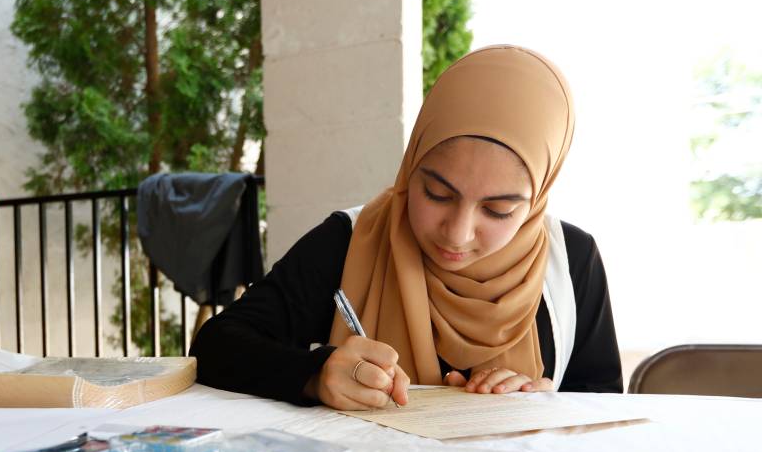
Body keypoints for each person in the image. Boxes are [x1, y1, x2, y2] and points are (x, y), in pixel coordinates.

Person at [191, 45, 622, 411]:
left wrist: (550, 404)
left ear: (537, 197)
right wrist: (314, 374)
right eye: (436, 193)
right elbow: (216, 347)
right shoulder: (351, 241)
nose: (457, 233)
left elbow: (607, 406)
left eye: (498, 211)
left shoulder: (571, 261)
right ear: (410, 165)